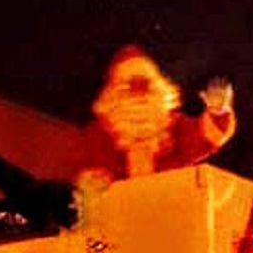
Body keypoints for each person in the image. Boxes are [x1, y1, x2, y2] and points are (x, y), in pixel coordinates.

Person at [74, 45, 237, 186]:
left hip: (170, 208)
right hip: (121, 214)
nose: (138, 98)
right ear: (112, 98)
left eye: (145, 87)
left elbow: (206, 136)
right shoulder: (98, 135)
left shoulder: (176, 127)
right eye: (129, 90)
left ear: (160, 92)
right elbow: (85, 176)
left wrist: (219, 112)